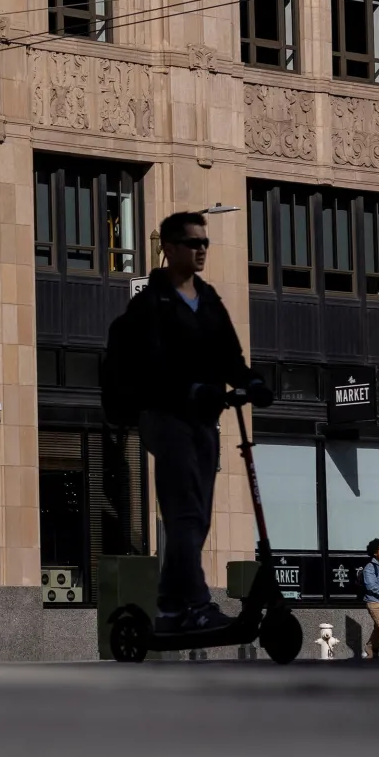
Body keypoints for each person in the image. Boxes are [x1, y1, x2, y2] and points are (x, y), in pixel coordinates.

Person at [110, 211, 270, 635]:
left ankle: (168, 606)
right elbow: (151, 367)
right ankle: (196, 605)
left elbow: (229, 356)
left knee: (197, 519)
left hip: (205, 418)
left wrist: (252, 381)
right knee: (183, 514)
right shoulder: (150, 304)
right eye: (193, 243)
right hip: (165, 417)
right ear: (170, 248)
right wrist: (192, 391)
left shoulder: (209, 298)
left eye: (205, 243)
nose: (201, 250)